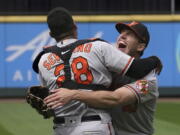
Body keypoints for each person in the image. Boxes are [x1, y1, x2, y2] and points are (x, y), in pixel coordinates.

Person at [34, 7, 161, 135]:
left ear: (140, 46)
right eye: (122, 33)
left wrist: (73, 93)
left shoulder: (147, 81)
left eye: (129, 34)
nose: (122, 36)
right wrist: (50, 103)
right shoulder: (106, 67)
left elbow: (116, 99)